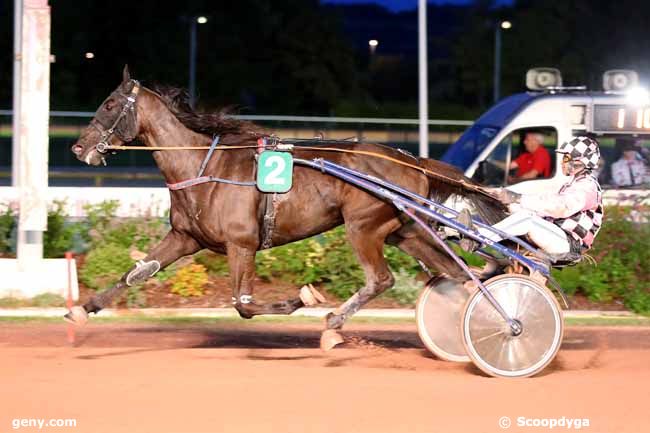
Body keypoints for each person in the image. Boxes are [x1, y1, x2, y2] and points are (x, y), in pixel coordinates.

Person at [459, 136, 603, 259]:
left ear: (580, 162)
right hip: (559, 236)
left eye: (566, 157)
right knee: (513, 209)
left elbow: (561, 208)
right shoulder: (572, 183)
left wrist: (518, 198)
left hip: (570, 244)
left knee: (527, 219)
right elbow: (544, 202)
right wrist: (505, 198)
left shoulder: (587, 187)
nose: (562, 162)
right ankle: (455, 228)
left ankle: (478, 238)